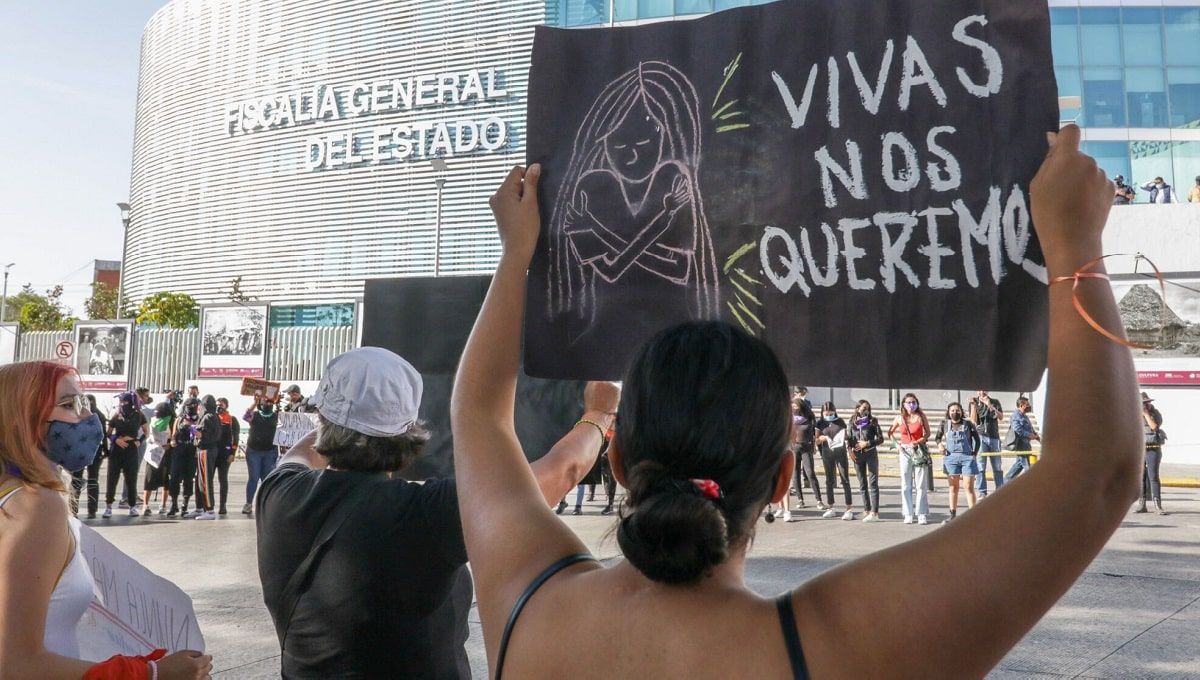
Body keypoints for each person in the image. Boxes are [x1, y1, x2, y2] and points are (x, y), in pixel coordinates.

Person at [450, 128, 1145, 678]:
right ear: (783, 479)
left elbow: (478, 414)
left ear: (623, 462)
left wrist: (518, 256)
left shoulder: (528, 604)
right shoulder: (826, 647)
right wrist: (1075, 243)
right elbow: (1098, 474)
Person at [255, 346, 617, 678]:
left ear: (322, 419)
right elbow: (559, 472)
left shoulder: (277, 495)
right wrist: (600, 413)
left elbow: (300, 455)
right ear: (409, 430)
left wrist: (334, 422)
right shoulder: (422, 515)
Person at [0, 361, 212, 679]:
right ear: (22, 420)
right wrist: (152, 673)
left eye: (83, 402)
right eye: (69, 405)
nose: (88, 418)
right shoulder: (35, 506)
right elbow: (15, 664)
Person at [103, 391, 149, 518]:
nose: (123, 404)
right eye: (121, 402)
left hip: (131, 449)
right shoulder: (117, 415)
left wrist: (139, 441)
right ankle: (108, 506)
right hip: (116, 449)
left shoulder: (139, 415)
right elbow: (108, 432)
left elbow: (146, 431)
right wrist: (115, 440)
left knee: (131, 479)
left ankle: (132, 506)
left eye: (125, 402)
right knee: (112, 478)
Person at [935, 402, 981, 523]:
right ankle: (952, 515)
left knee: (968, 487)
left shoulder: (968, 424)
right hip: (950, 458)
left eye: (957, 410)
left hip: (967, 457)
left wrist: (974, 453)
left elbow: (977, 439)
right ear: (948, 412)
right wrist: (940, 446)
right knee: (953, 487)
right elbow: (937, 437)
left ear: (961, 411)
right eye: (952, 410)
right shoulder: (944, 424)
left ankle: (973, 516)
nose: (955, 412)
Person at [890, 392, 932, 525]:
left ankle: (921, 513)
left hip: (918, 450)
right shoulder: (899, 418)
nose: (911, 405)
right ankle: (908, 513)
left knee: (920, 484)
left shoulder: (921, 416)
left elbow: (928, 433)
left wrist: (919, 440)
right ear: (903, 404)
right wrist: (897, 445)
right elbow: (890, 433)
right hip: (904, 450)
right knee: (906, 484)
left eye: (913, 402)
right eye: (908, 402)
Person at [70, 394, 107, 519]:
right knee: (92, 480)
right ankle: (92, 510)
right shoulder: (99, 415)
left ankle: (73, 510)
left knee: (76, 480)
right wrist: (106, 450)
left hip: (79, 450)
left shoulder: (78, 413)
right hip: (95, 450)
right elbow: (103, 435)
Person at [815, 402, 854, 520]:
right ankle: (830, 507)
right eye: (826, 412)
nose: (828, 414)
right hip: (827, 452)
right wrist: (822, 438)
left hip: (840, 452)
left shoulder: (840, 421)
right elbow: (816, 440)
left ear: (834, 411)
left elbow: (846, 436)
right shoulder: (820, 423)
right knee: (829, 480)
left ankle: (849, 508)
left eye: (831, 412)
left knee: (845, 479)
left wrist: (843, 437)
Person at [242, 393, 280, 515]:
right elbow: (246, 416)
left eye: (270, 402)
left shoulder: (276, 416)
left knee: (267, 479)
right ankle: (248, 503)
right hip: (254, 451)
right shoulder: (256, 415)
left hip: (270, 451)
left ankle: (266, 504)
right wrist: (255, 402)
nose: (268, 404)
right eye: (266, 402)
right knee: (253, 478)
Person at [848, 400, 884, 523]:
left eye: (868, 409)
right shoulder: (852, 421)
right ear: (857, 409)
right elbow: (849, 437)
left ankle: (875, 512)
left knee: (873, 483)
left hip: (870, 453)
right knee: (862, 483)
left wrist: (867, 443)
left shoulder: (873, 421)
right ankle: (867, 509)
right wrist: (850, 450)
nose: (866, 411)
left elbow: (880, 439)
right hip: (857, 455)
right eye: (863, 408)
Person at [969, 389, 1005, 497]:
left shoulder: (995, 401)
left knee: (997, 465)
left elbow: (1001, 417)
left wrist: (990, 405)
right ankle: (982, 492)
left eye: (984, 390)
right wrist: (974, 406)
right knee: (980, 466)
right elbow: (973, 420)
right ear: (977, 391)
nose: (982, 392)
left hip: (994, 436)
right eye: (980, 390)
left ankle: (999, 489)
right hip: (980, 436)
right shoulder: (974, 402)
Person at [167, 398, 200, 517]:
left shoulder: (199, 419)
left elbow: (202, 435)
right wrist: (173, 442)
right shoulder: (179, 419)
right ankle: (174, 504)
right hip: (179, 451)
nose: (192, 408)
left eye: (194, 406)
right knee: (174, 478)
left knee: (189, 478)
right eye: (189, 405)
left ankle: (184, 505)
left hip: (192, 451)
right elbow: (173, 435)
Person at [1136, 392, 1166, 515]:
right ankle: (1142, 504)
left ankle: (1158, 505)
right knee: (1141, 478)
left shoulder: (1156, 414)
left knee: (1153, 476)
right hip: (1140, 449)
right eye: (1142, 404)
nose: (1144, 405)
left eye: (1146, 403)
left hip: (1153, 448)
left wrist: (1146, 414)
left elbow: (1154, 426)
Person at [192, 395, 221, 520]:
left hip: (206, 450)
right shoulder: (213, 416)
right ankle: (200, 507)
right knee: (200, 479)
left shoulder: (208, 417)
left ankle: (209, 510)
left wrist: (195, 432)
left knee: (205, 480)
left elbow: (204, 435)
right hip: (206, 449)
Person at [1003, 397, 1041, 482]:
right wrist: (1029, 435)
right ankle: (1030, 485)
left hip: (1026, 444)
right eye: (1027, 405)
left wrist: (1037, 437)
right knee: (1026, 465)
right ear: (1021, 405)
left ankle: (1006, 481)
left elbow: (1030, 428)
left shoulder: (1025, 416)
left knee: (1019, 465)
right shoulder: (1015, 416)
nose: (1029, 406)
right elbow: (1017, 429)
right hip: (1021, 444)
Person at [213, 397, 240, 515]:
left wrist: (233, 454)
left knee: (222, 479)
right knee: (208, 479)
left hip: (225, 453)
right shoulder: (212, 418)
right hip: (212, 452)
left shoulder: (232, 419)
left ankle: (222, 505)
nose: (219, 406)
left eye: (221, 405)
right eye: (217, 404)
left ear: (226, 406)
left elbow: (236, 437)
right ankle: (208, 505)